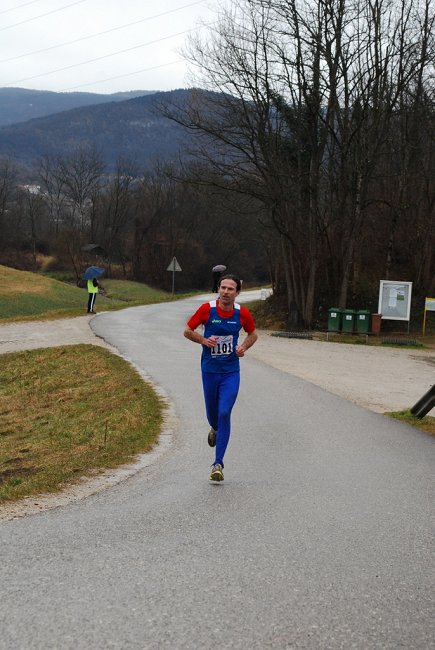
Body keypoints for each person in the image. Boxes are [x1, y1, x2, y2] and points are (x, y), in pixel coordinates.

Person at [184, 274, 258, 482]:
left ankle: (218, 463)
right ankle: (215, 428)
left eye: (230, 289)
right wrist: (204, 340)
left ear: (237, 293)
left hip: (230, 371)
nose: (226, 292)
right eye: (223, 288)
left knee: (224, 412)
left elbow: (253, 334)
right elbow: (187, 331)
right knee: (212, 415)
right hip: (210, 370)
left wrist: (243, 347)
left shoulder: (242, 313)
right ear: (218, 289)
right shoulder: (207, 309)